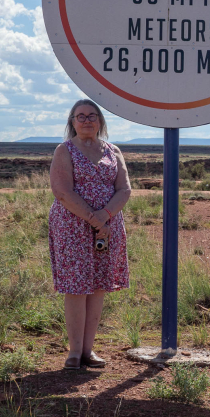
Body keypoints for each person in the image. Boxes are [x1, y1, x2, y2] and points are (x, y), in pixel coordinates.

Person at [48, 99, 131, 370]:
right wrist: (92, 218)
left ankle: (88, 351)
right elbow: (62, 191)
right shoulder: (65, 150)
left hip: (106, 230)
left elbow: (124, 189)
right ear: (72, 122)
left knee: (98, 286)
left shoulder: (113, 150)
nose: (86, 120)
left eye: (92, 115)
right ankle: (73, 352)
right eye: (80, 116)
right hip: (72, 227)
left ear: (100, 121)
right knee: (75, 288)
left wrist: (104, 217)